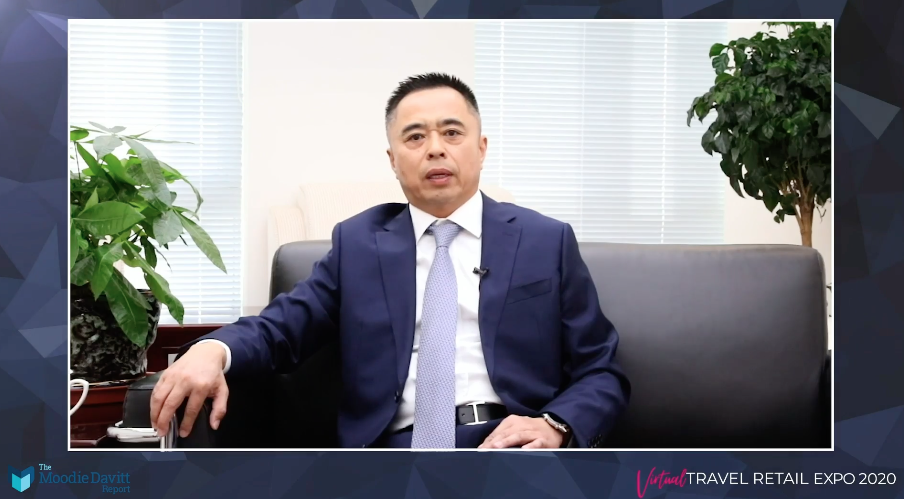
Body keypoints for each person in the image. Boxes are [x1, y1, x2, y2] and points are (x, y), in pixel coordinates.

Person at [150, 72, 630, 449]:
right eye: (415, 137)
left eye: (452, 132)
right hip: (389, 455)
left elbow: (601, 369)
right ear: (393, 159)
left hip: (508, 445)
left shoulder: (545, 240)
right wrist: (212, 350)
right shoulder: (359, 244)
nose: (435, 148)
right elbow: (281, 328)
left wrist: (555, 425)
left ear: (481, 149)